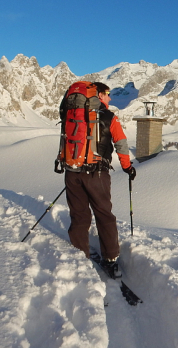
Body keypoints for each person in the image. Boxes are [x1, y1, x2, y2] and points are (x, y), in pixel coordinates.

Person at [63, 82, 136, 278]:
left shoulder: (71, 113)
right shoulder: (108, 117)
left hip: (71, 171)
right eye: (108, 94)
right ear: (99, 95)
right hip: (96, 174)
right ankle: (111, 259)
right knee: (104, 215)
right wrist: (127, 167)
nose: (110, 98)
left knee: (79, 215)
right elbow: (121, 144)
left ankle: (80, 256)